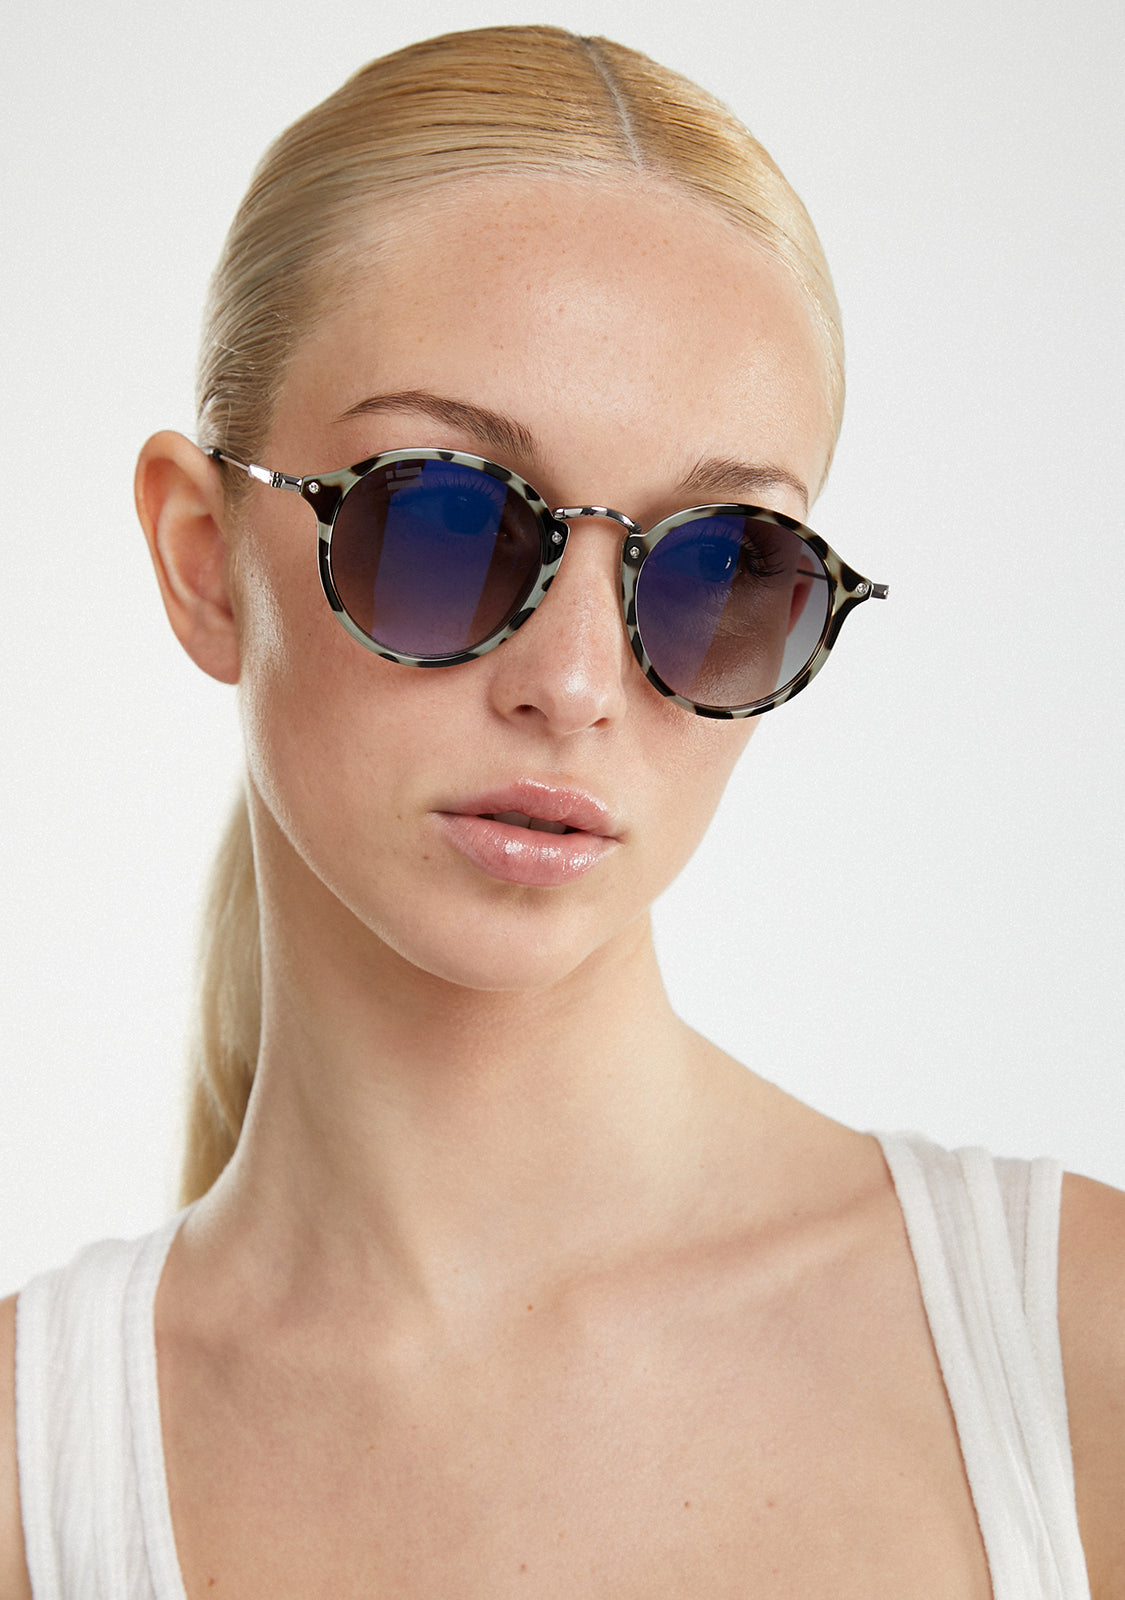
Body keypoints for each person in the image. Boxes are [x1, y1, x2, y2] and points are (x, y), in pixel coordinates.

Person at [2, 23, 1122, 1598]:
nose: (578, 683)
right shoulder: (28, 1480)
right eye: (443, 521)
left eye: (719, 565)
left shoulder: (1081, 1356)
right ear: (202, 560)